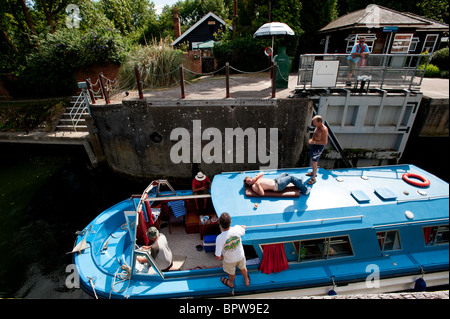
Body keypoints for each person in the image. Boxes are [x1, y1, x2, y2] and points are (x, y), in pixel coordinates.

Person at [215, 212, 250, 288]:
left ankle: (230, 282)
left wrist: (221, 257)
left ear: (220, 225)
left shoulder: (219, 238)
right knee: (243, 268)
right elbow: (243, 229)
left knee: (232, 273)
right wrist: (242, 227)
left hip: (229, 260)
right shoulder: (237, 229)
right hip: (240, 256)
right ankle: (246, 279)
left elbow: (217, 257)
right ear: (230, 222)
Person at [243, 172, 310, 196]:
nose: (250, 180)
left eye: (250, 179)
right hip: (278, 186)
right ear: (249, 184)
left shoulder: (256, 179)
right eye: (249, 181)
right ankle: (305, 190)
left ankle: (299, 183)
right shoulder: (254, 186)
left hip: (276, 180)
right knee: (291, 177)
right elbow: (262, 193)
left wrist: (257, 177)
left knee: (285, 174)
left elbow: (262, 173)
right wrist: (258, 185)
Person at [307, 115, 328, 185]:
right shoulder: (317, 127)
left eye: (315, 122)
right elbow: (315, 135)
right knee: (313, 160)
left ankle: (313, 178)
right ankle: (313, 172)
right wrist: (312, 140)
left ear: (320, 122)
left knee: (314, 162)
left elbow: (325, 142)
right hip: (314, 145)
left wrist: (315, 142)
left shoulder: (324, 129)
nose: (313, 124)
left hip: (318, 148)